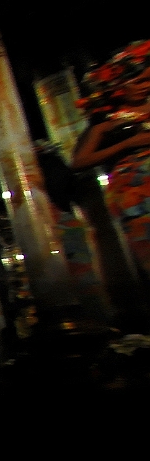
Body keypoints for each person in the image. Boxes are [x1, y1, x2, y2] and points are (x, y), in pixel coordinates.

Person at [70, 40, 150, 284]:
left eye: (148, 80)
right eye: (138, 82)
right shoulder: (107, 122)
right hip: (135, 196)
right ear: (118, 85)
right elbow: (79, 161)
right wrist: (127, 144)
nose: (145, 86)